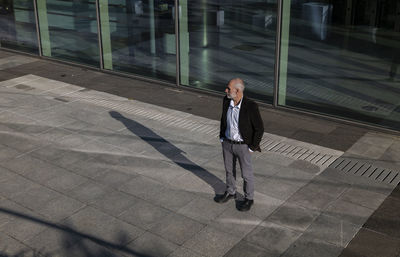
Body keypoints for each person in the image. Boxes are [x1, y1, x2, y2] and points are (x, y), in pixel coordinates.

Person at [214, 78, 264, 211]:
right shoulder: (226, 100)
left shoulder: (250, 106)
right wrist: (222, 137)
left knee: (246, 174)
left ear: (237, 90)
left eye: (228, 88)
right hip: (227, 143)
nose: (226, 90)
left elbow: (259, 128)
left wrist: (252, 147)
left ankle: (249, 198)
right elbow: (223, 119)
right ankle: (231, 192)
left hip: (243, 146)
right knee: (229, 170)